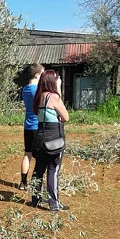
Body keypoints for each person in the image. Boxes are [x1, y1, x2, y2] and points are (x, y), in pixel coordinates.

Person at [31, 70, 69, 212]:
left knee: (39, 169)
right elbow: (66, 117)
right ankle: (54, 203)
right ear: (53, 82)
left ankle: (35, 199)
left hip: (39, 137)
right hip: (54, 139)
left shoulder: (38, 96)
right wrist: (59, 88)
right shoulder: (54, 97)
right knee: (53, 170)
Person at [19, 63, 44, 190]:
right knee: (40, 157)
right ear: (37, 74)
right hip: (37, 126)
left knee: (27, 154)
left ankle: (23, 182)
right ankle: (36, 184)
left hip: (27, 126)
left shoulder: (25, 89)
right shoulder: (36, 90)